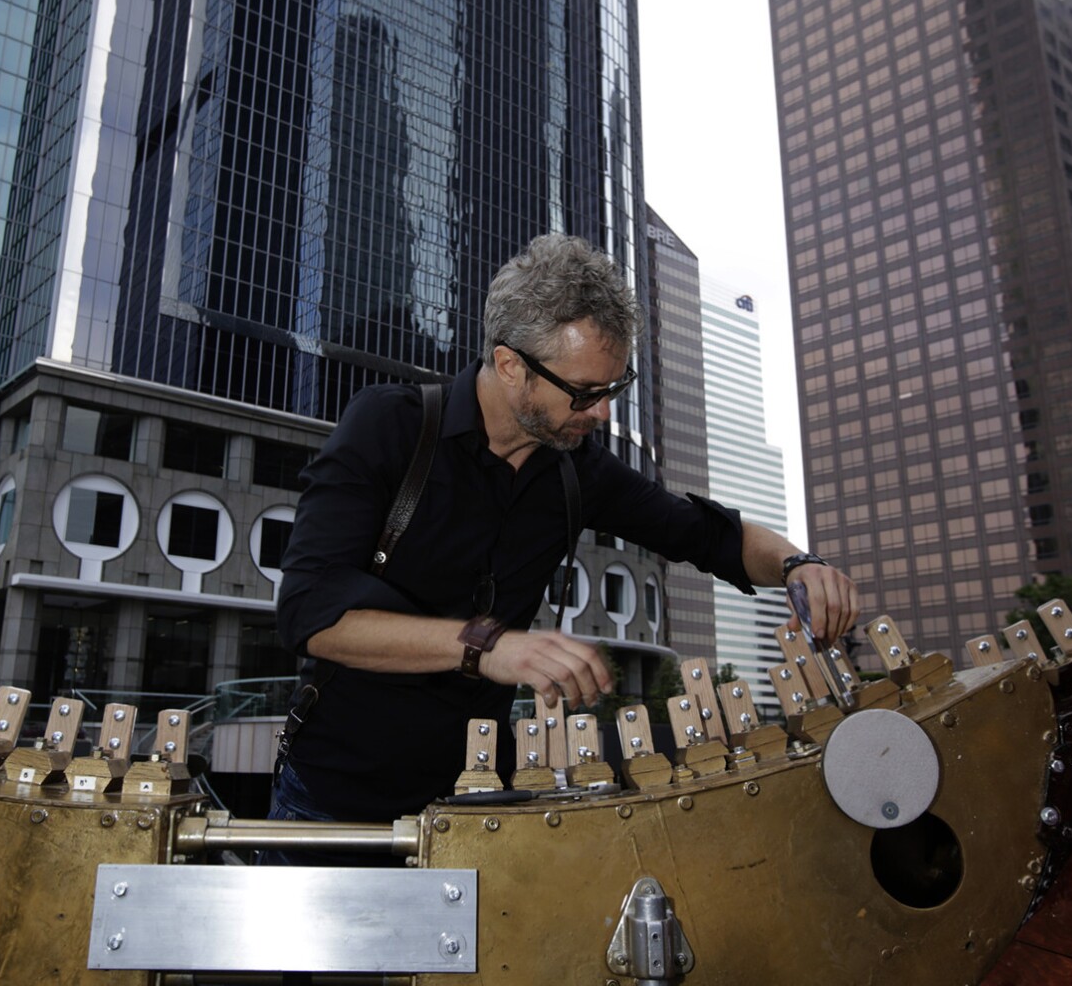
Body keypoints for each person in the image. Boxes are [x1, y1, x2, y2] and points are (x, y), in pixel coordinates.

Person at [266, 234, 859, 856]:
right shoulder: (391, 426)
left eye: (613, 389)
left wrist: (799, 564)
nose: (601, 414)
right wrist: (486, 647)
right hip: (329, 806)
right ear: (510, 365)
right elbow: (312, 612)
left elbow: (712, 536)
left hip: (472, 808)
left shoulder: (579, 469)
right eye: (584, 392)